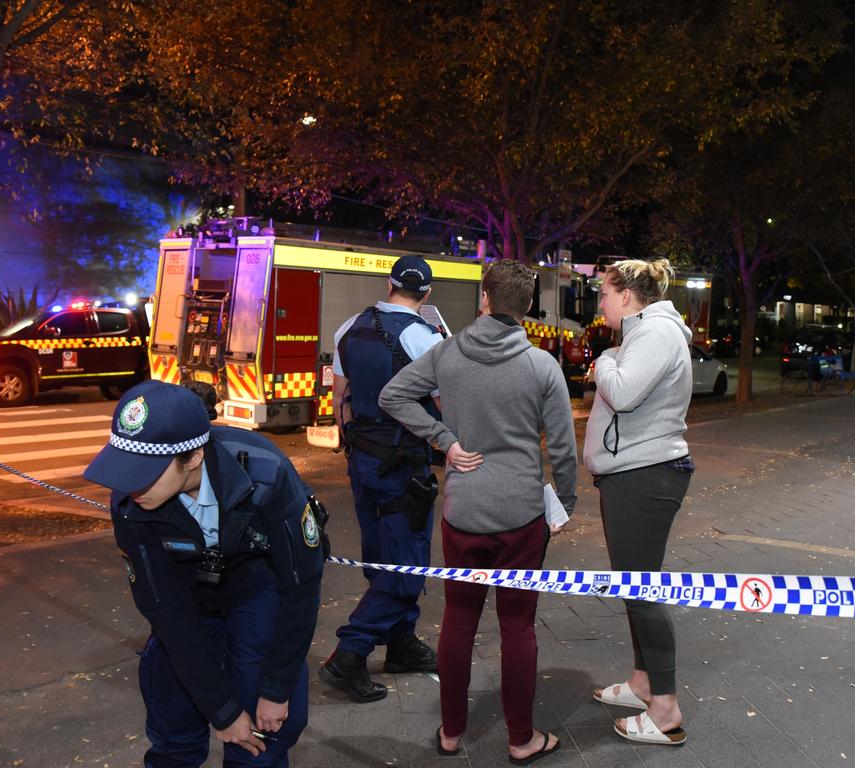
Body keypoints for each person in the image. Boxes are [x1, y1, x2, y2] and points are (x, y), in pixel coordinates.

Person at [380, 259, 577, 765]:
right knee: (518, 626)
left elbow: (392, 394)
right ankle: (521, 738)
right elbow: (562, 448)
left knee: (459, 619)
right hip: (520, 515)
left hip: (463, 512)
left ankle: (450, 733)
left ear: (484, 298)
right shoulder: (541, 366)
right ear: (527, 307)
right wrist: (566, 501)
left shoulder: (446, 353)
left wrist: (444, 441)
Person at [82, 380, 327, 767]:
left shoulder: (267, 476)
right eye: (123, 467)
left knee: (263, 737)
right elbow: (166, 610)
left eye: (143, 471)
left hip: (256, 587)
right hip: (186, 592)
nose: (128, 485)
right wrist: (221, 710)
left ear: (193, 457)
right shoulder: (130, 503)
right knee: (173, 709)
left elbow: (301, 586)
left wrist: (277, 688)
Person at [319, 254, 444, 703]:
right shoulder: (425, 339)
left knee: (379, 554)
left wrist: (353, 443)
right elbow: (441, 405)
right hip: (403, 466)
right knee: (406, 564)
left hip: (362, 462)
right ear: (426, 294)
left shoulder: (350, 327)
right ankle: (349, 655)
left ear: (388, 284)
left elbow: (340, 397)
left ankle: (402, 644)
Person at [583, 258, 694, 747]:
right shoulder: (646, 332)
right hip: (633, 474)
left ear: (627, 294)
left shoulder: (655, 334)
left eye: (604, 293)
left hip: (644, 477)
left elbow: (623, 394)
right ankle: (644, 683)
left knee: (643, 590)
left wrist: (604, 362)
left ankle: (666, 706)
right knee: (635, 587)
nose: (600, 301)